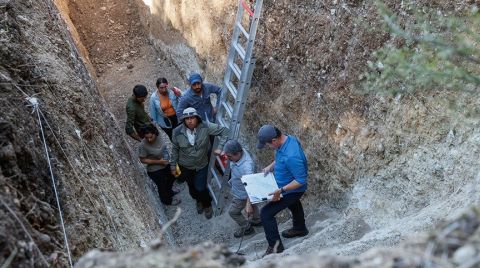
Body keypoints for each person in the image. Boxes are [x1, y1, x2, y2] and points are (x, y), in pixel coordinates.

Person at [256, 124, 309, 257]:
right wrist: (270, 167)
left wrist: (281, 190)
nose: (268, 147)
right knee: (293, 204)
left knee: (266, 214)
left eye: (268, 145)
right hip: (284, 186)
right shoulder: (287, 139)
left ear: (274, 140)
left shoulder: (292, 156)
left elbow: (300, 180)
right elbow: (280, 157)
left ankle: (276, 247)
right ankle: (300, 228)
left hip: (292, 189)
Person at [170, 107, 229, 219]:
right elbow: (175, 150)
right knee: (192, 188)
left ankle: (207, 205)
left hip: (201, 165)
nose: (190, 121)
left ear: (197, 118)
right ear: (184, 120)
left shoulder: (205, 127)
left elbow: (225, 131)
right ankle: (198, 201)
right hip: (185, 166)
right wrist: (173, 166)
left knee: (201, 187)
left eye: (192, 118)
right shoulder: (177, 132)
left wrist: (220, 147)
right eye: (187, 119)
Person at [223, 140, 262, 238]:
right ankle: (257, 221)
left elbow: (251, 187)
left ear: (238, 153)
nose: (228, 158)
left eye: (230, 156)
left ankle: (247, 228)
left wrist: (248, 204)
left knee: (233, 212)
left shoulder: (247, 167)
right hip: (240, 188)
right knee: (253, 206)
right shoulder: (240, 153)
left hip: (242, 194)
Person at [138, 124, 181, 206]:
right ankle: (166, 201)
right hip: (155, 170)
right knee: (162, 186)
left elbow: (164, 147)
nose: (149, 139)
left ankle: (170, 192)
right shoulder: (143, 145)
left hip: (165, 163)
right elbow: (142, 159)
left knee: (172, 177)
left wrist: (167, 158)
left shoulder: (159, 135)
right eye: (146, 138)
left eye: (151, 137)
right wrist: (159, 162)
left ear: (155, 133)